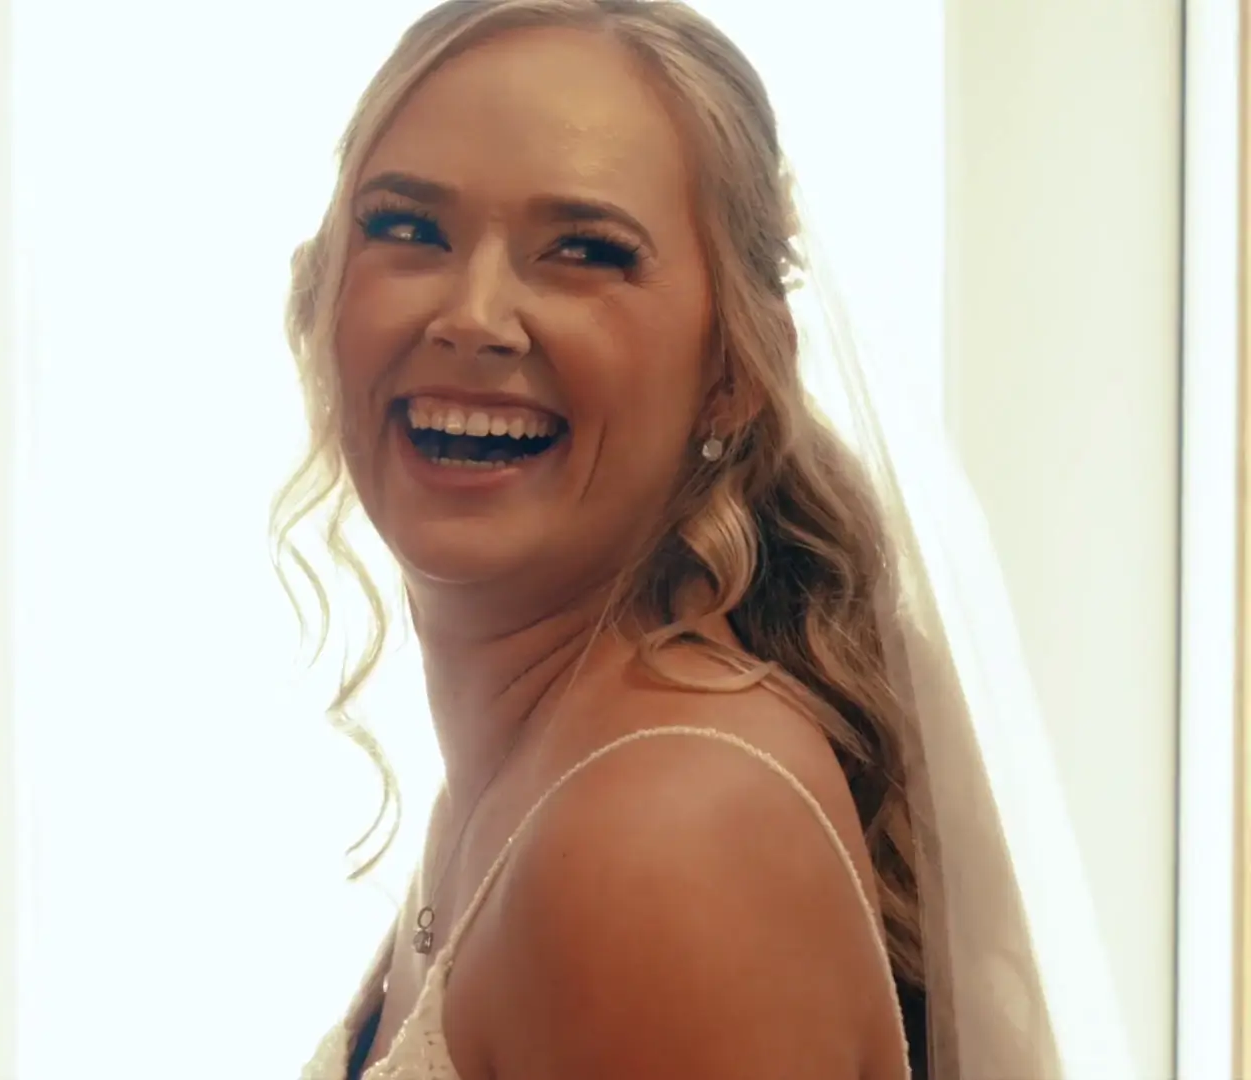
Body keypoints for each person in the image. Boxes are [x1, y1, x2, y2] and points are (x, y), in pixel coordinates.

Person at [274, 2, 1124, 1078]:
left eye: (583, 250)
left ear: (731, 373)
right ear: (321, 294)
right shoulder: (526, 772)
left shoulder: (661, 836)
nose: (473, 315)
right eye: (407, 228)